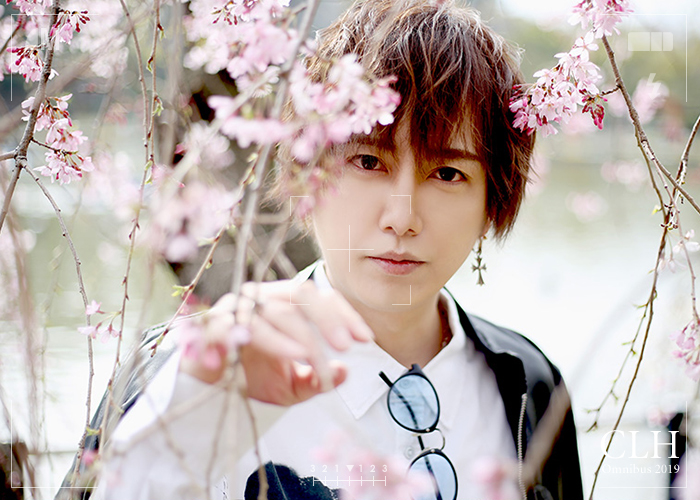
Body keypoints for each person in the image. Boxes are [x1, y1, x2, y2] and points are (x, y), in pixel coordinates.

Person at [57, 1, 583, 499]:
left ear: (494, 197)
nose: (402, 217)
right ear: (305, 172)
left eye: (447, 173)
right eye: (368, 162)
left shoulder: (527, 384)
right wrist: (189, 403)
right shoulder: (187, 370)